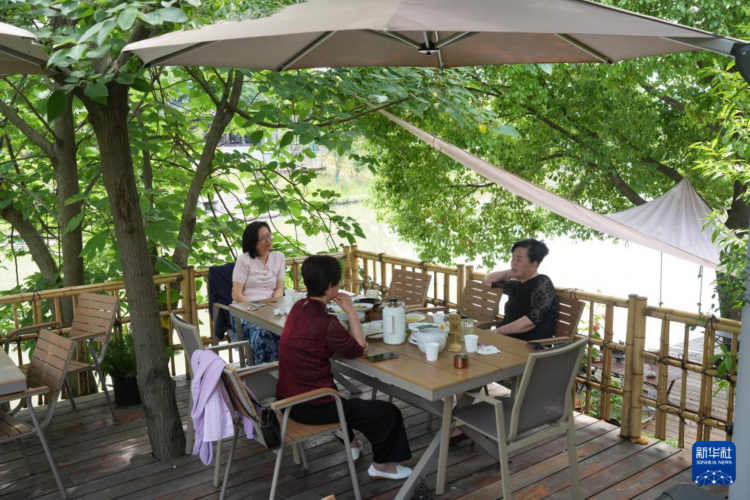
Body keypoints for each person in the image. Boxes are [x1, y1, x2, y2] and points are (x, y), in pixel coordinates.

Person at [276, 255, 412, 480]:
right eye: (338, 282)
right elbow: (358, 349)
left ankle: (352, 444)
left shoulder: (299, 307)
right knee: (388, 413)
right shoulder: (327, 322)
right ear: (330, 287)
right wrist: (350, 310)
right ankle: (382, 467)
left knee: (347, 402)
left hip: (287, 400)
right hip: (313, 406)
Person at [482, 238, 559, 342]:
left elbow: (532, 320)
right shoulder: (517, 285)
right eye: (513, 258)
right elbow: (487, 280)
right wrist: (512, 271)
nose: (513, 263)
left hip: (530, 345)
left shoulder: (542, 282)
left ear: (534, 264)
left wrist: (498, 331)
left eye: (519, 260)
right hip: (508, 340)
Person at [231, 221, 285, 364]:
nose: (268, 240)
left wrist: (274, 304)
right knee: (263, 332)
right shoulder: (244, 260)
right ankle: (261, 368)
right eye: (263, 238)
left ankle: (284, 367)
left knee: (288, 327)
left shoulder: (279, 257)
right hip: (245, 309)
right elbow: (236, 294)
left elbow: (279, 287)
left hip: (271, 308)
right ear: (253, 242)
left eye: (269, 235)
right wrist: (257, 308)